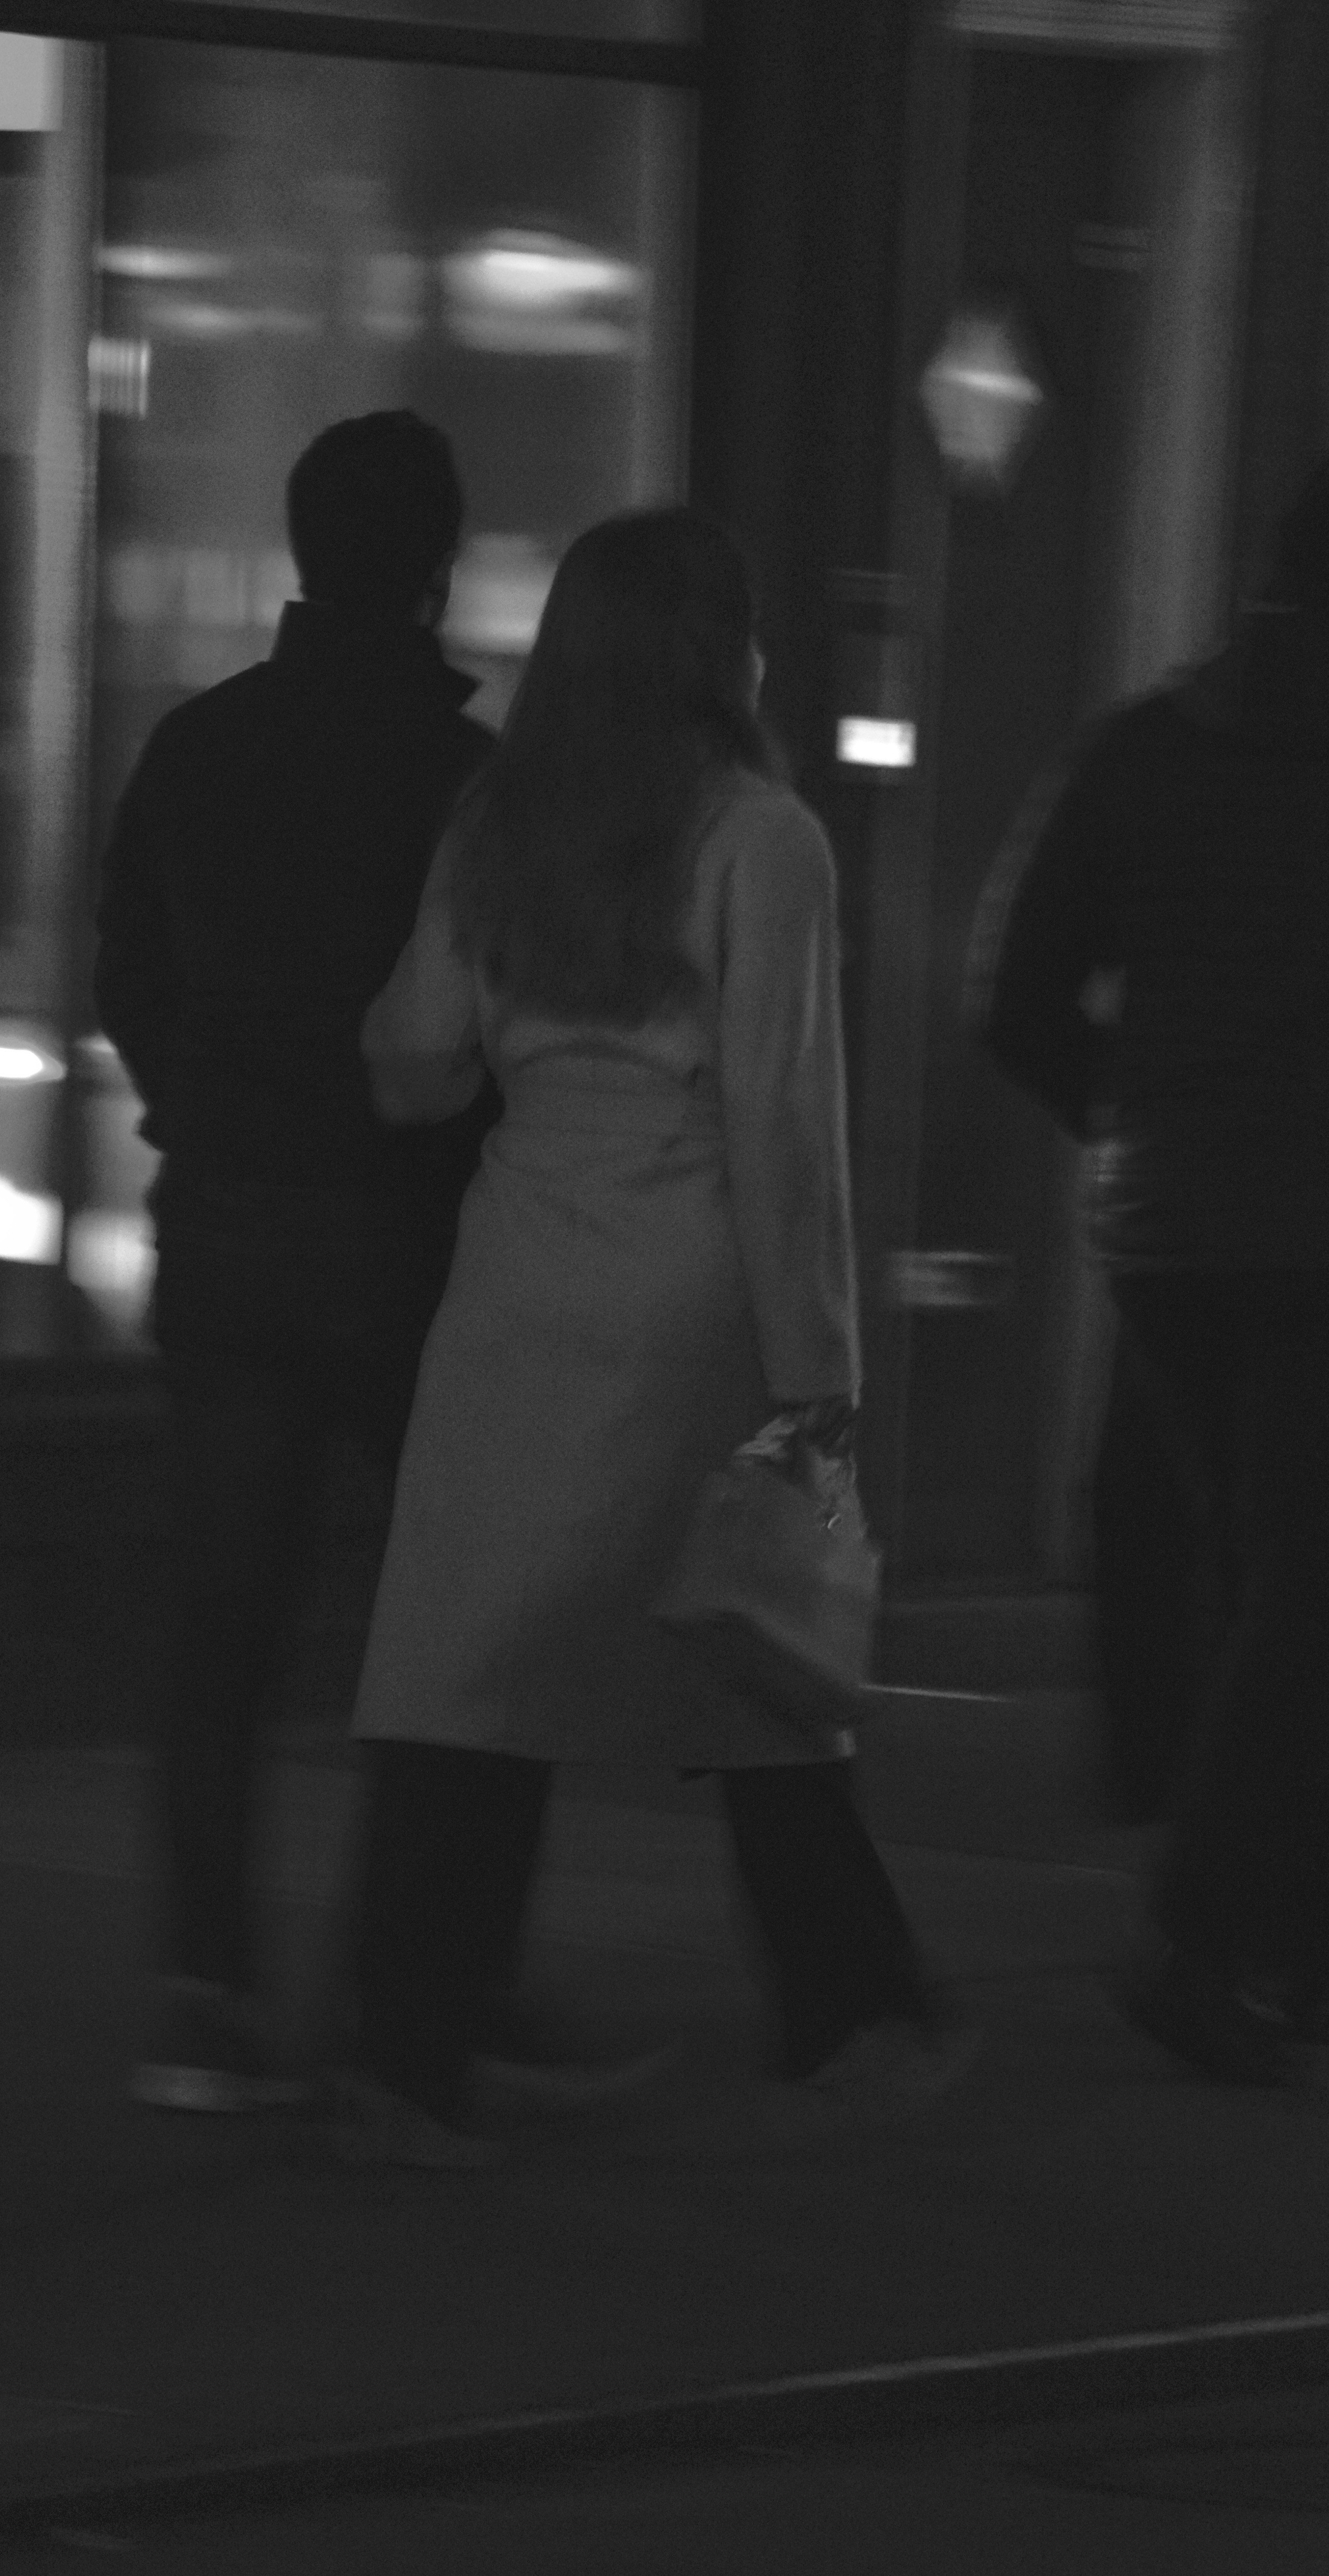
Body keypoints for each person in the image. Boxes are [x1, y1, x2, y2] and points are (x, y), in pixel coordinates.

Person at [322, 506, 967, 2167]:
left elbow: (413, 1060)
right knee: (758, 1652)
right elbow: (781, 1122)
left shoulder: (498, 821)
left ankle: (410, 2048)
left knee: (468, 1668)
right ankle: (853, 2008)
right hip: (688, 1285)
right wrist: (820, 1372)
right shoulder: (762, 840)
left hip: (519, 1272)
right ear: (717, 650)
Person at [973, 453, 1329, 2086]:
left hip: (1171, 1237)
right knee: (1324, 1593)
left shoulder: (1145, 745)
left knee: (1256, 1574)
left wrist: (1136, 1111)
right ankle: (1211, 1925)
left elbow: (1015, 993)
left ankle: (1308, 1906)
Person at [94, 407, 497, 2111]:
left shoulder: (201, 747)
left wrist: (196, 1104)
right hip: (408, 1241)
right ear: (437, 571)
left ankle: (208, 1990)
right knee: (447, 1633)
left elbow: (129, 973)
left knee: (223, 1630)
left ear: (299, 550)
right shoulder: (465, 777)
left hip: (231, 1226)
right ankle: (414, 1998)